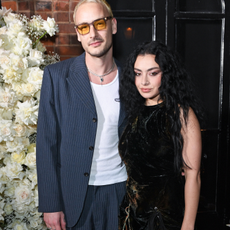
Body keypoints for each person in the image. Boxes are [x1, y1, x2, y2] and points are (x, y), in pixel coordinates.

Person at [36, 1, 127, 230]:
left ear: (113, 25)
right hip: (75, 196)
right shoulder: (56, 77)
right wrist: (51, 204)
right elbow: (46, 143)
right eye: (84, 27)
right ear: (78, 33)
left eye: (99, 23)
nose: (93, 34)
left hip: (122, 193)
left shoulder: (134, 80)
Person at [118, 41, 202, 230]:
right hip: (130, 216)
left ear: (167, 75)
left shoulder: (181, 114)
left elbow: (193, 175)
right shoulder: (135, 112)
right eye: (138, 73)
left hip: (163, 219)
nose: (144, 81)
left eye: (153, 73)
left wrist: (188, 226)